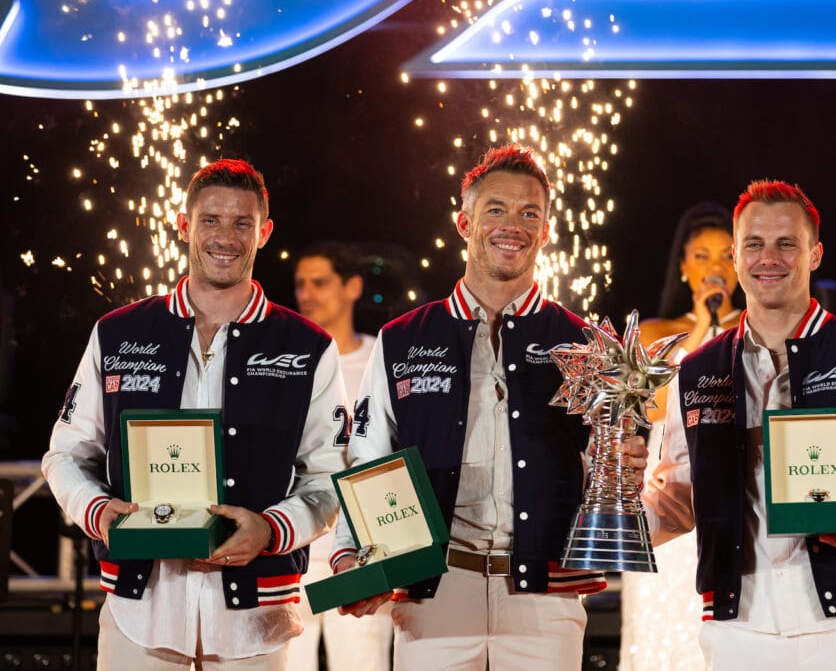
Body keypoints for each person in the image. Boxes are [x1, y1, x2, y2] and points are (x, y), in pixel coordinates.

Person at [331, 144, 649, 671]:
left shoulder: (587, 344)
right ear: (464, 222)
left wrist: (628, 464)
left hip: (544, 600)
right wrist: (352, 553)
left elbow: (614, 465)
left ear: (546, 231)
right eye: (496, 210)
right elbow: (368, 457)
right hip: (434, 592)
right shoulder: (403, 338)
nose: (513, 225)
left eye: (531, 214)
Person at [42, 158, 347, 670]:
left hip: (257, 619)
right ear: (184, 224)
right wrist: (98, 512)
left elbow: (329, 475)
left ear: (264, 232)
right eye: (210, 220)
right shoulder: (117, 333)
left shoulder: (308, 346)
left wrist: (270, 530)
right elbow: (65, 454)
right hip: (139, 611)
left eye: (242, 223)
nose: (225, 237)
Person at [642, 179, 836, 669]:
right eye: (754, 245)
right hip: (737, 628)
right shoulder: (696, 369)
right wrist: (605, 516)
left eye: (787, 244)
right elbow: (678, 494)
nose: (770, 258)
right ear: (737, 258)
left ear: (815, 254)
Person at [620, 201, 741, 671]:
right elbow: (652, 407)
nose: (714, 267)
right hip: (666, 495)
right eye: (702, 256)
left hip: (730, 491)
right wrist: (700, 333)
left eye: (724, 255)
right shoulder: (657, 333)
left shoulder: (758, 332)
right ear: (684, 266)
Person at [290, 241, 391, 671]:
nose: (307, 294)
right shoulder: (286, 359)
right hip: (294, 547)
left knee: (362, 663)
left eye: (319, 282)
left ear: (352, 287)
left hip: (364, 547)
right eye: (299, 284)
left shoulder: (382, 356)